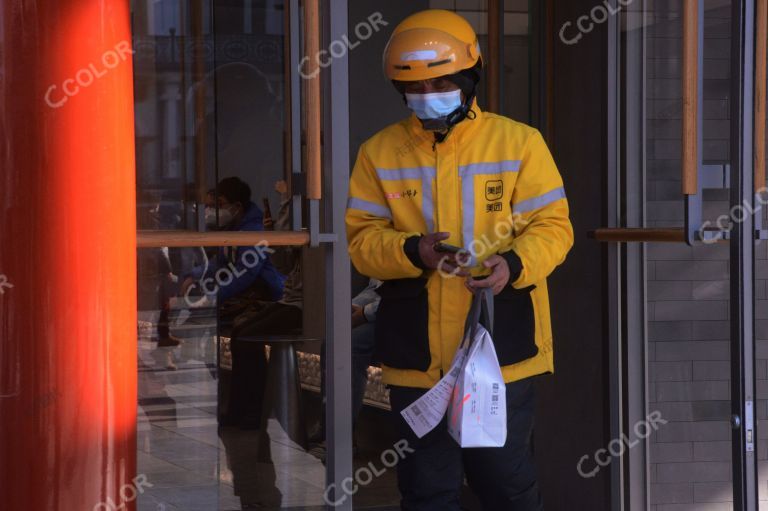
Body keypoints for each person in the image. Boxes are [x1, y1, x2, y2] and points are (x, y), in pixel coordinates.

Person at [345, 9, 573, 511]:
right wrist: (413, 250)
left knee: (506, 486)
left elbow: (554, 229)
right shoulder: (379, 152)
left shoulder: (519, 142)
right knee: (426, 491)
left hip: (500, 354)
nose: (428, 93)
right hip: (417, 359)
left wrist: (511, 265)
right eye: (416, 86)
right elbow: (362, 241)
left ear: (470, 78)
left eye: (441, 81)